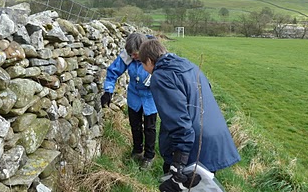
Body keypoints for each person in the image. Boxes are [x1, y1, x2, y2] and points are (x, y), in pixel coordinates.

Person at [139, 39, 241, 191]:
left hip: (194, 145)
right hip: (214, 136)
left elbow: (178, 119)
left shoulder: (161, 77)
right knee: (204, 188)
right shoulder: (189, 66)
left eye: (142, 64)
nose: (143, 67)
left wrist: (178, 163)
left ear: (149, 60)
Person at [101, 32, 158, 170]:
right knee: (135, 124)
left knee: (150, 128)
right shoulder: (128, 55)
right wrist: (108, 90)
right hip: (134, 95)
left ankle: (149, 156)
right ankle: (137, 151)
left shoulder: (156, 54)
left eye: (136, 54)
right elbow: (113, 72)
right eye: (131, 54)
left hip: (151, 97)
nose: (133, 57)